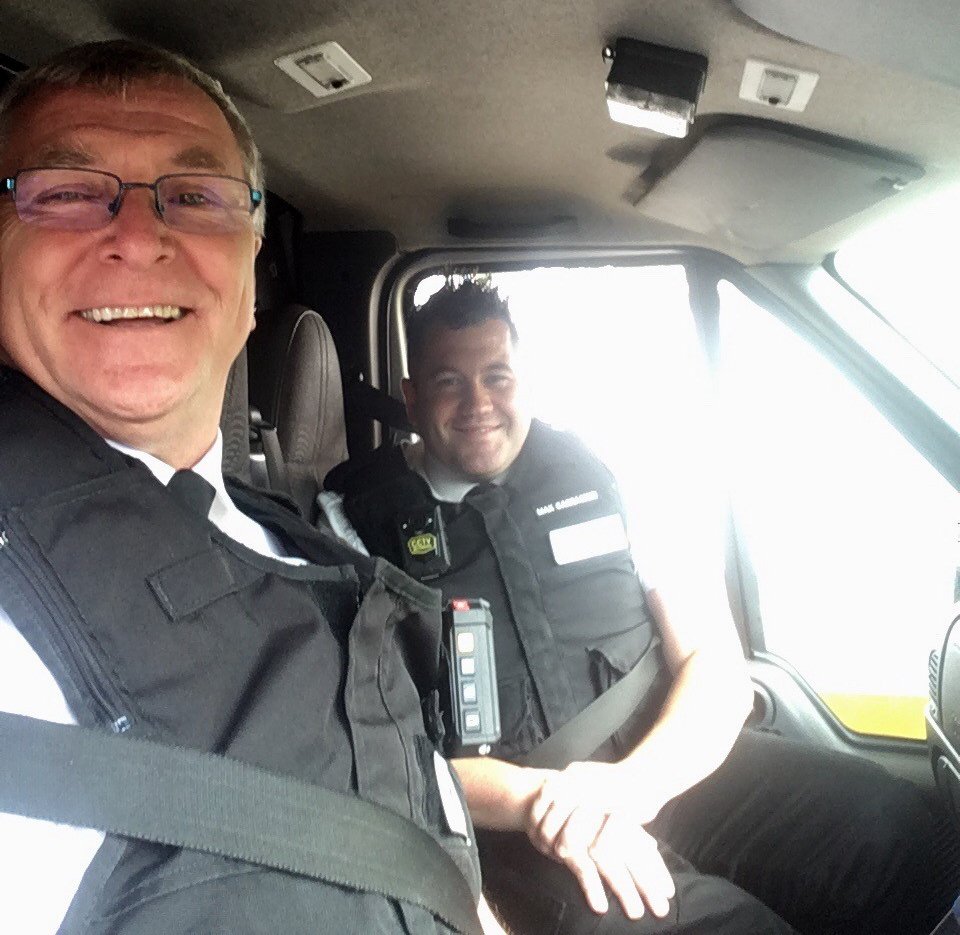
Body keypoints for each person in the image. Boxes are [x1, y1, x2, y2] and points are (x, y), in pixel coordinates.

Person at [0, 40, 502, 935]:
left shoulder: (310, 549)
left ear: (251, 265)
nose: (139, 237)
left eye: (195, 197)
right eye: (67, 192)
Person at [324, 279, 955, 935]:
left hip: (660, 757)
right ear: (412, 396)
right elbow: (375, 743)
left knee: (895, 830)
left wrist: (634, 785)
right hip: (515, 813)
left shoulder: (609, 470)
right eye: (449, 381)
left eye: (497, 376)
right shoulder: (353, 520)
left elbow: (713, 661)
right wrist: (539, 798)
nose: (479, 402)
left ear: (524, 381)